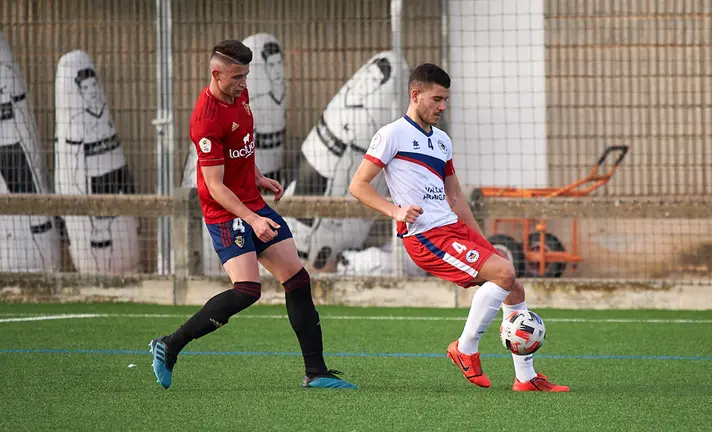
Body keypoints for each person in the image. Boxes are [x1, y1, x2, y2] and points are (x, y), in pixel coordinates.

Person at [149, 39, 358, 390]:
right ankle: (170, 345)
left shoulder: (239, 95)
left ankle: (316, 372)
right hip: (226, 212)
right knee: (247, 289)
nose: (243, 84)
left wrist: (257, 175)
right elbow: (214, 186)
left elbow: (241, 146)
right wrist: (254, 218)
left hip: (250, 201)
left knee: (297, 279)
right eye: (236, 77)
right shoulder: (206, 119)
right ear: (216, 74)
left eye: (246, 75)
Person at [348, 63, 569, 392]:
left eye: (446, 100)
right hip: (425, 236)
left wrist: (483, 243)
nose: (443, 106)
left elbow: (455, 196)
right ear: (415, 95)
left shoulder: (441, 141)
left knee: (514, 286)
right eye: (437, 99)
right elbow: (358, 185)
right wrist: (395, 211)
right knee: (505, 275)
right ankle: (465, 349)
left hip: (453, 228)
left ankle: (526, 379)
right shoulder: (392, 134)